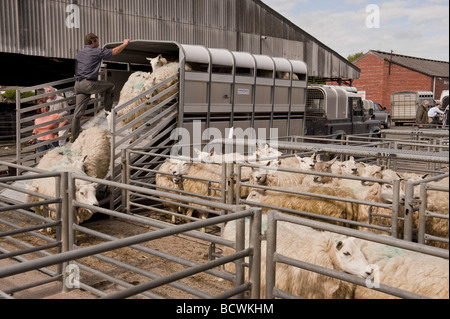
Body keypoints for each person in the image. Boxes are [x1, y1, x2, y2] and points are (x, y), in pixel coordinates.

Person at [72, 33, 130, 142]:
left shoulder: (80, 53)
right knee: (110, 86)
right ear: (93, 42)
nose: (99, 44)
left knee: (77, 113)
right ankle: (108, 110)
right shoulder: (96, 51)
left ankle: (74, 137)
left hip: (78, 85)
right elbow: (114, 51)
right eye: (97, 42)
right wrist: (124, 43)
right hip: (89, 84)